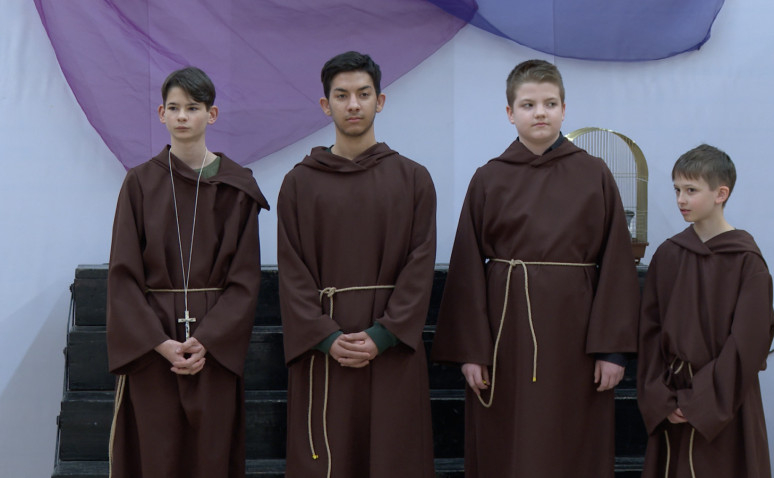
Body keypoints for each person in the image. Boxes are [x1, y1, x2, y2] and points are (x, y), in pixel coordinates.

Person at [431, 59, 640, 477]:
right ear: (510, 113)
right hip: (505, 339)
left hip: (576, 338)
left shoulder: (594, 174)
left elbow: (616, 263)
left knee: (571, 438)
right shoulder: (489, 178)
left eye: (549, 103)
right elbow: (467, 269)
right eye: (528, 105)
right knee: (510, 441)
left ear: (564, 109)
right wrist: (472, 351)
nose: (540, 113)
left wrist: (612, 350)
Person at [277, 51, 437, 478]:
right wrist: (327, 338)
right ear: (325, 105)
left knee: (392, 458)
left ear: (379, 101)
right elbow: (292, 273)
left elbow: (420, 267)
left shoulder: (413, 179)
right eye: (342, 95)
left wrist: (383, 335)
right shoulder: (299, 183)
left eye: (363, 94)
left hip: (391, 350)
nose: (353, 105)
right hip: (325, 352)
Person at [106, 66, 269, 478]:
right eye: (174, 107)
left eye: (193, 108)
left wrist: (207, 341)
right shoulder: (139, 183)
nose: (182, 116)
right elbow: (124, 276)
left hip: (213, 348)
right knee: (156, 454)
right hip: (153, 347)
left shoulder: (237, 187)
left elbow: (244, 281)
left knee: (210, 455)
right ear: (161, 113)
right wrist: (160, 343)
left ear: (211, 115)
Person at [637, 144, 774, 477]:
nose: (680, 199)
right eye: (677, 190)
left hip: (724, 402)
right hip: (672, 396)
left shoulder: (747, 261)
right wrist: (662, 398)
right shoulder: (668, 255)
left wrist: (700, 401)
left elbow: (748, 343)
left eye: (691, 190)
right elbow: (649, 332)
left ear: (720, 194)